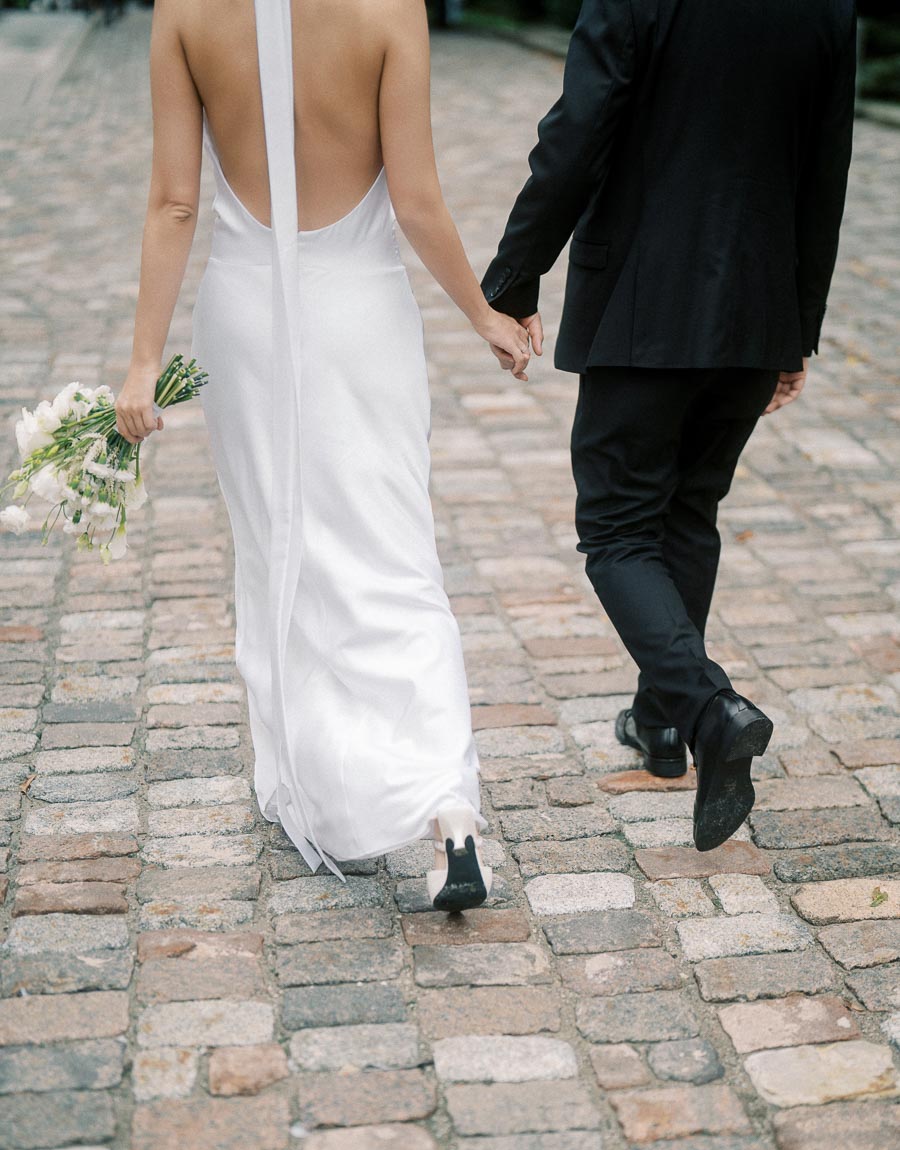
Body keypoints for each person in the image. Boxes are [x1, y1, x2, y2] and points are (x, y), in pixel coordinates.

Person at [115, 0, 534, 907]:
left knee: (283, 551)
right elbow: (416, 198)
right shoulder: (390, 10)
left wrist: (144, 361)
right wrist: (483, 314)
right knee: (394, 550)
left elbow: (176, 200)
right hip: (361, 318)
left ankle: (319, 778)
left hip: (246, 317)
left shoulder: (186, 12)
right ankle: (447, 811)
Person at [482, 0, 856, 851]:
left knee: (616, 530)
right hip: (757, 309)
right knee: (687, 511)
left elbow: (577, 132)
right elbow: (824, 172)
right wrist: (798, 325)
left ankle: (709, 711)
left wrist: (512, 277)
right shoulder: (829, 7)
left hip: (645, 308)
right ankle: (659, 733)